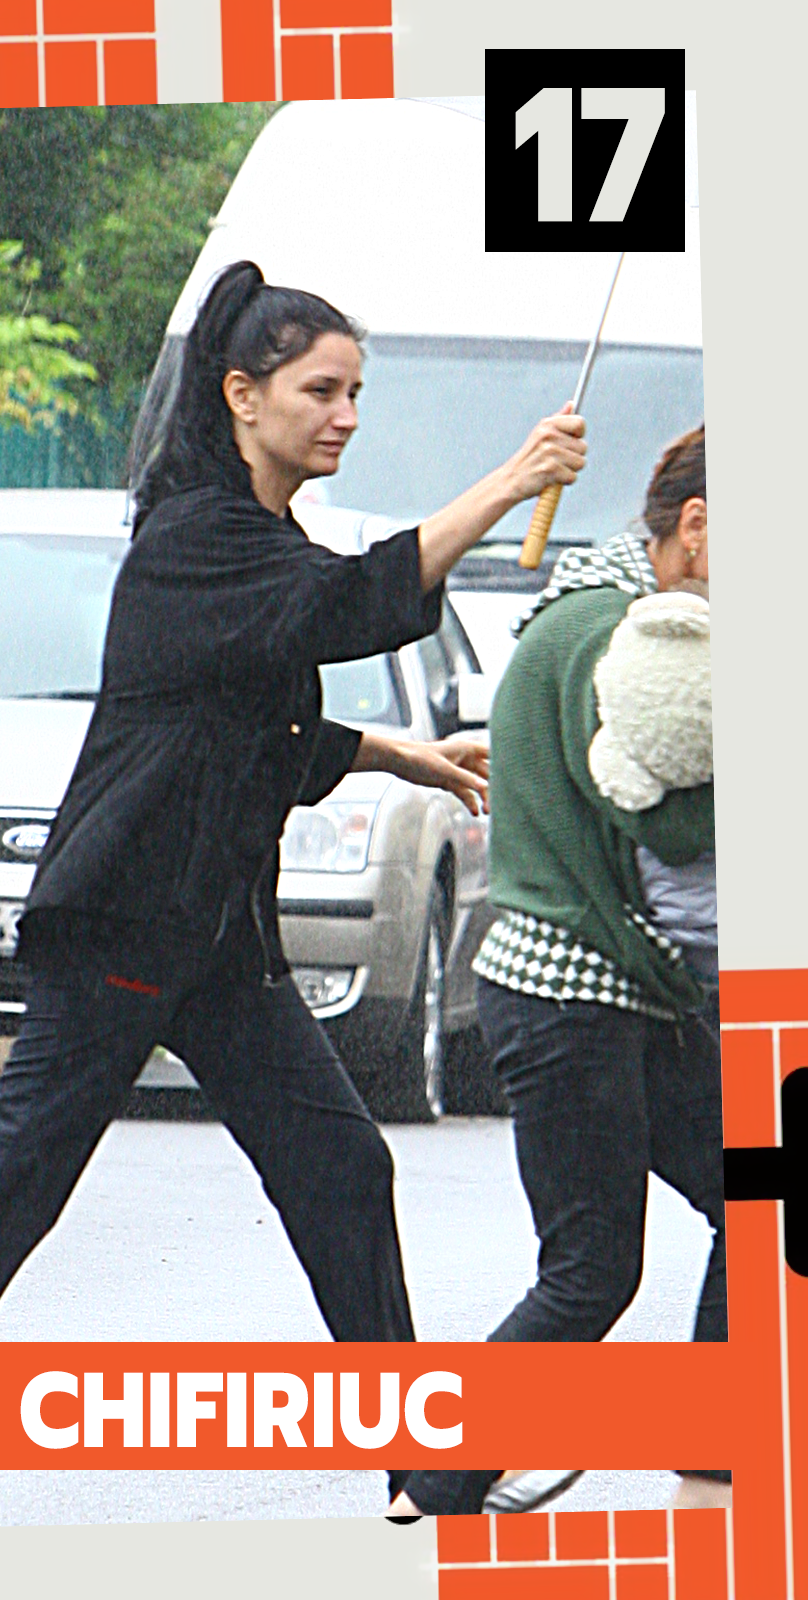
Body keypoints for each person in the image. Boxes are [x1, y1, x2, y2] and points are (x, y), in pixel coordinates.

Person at [0, 260, 587, 1530]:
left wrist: (398, 755)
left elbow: (251, 719)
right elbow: (350, 606)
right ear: (242, 395)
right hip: (124, 918)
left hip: (213, 935)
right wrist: (513, 480)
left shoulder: (256, 539)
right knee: (11, 1187)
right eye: (320, 391)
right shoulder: (197, 535)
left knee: (342, 1167)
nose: (343, 415)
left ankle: (424, 1467)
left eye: (355, 393)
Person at [389, 426, 728, 1521]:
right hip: (571, 994)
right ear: (696, 526)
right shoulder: (618, 638)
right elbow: (665, 819)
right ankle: (442, 1476)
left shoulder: (599, 611)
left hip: (615, 992)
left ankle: (715, 1456)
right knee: (591, 1269)